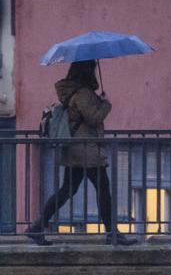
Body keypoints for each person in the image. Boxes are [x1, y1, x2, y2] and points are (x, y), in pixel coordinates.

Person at [26, 59, 138, 246]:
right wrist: (106, 104)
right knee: (103, 191)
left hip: (74, 150)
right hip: (87, 150)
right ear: (87, 71)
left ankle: (37, 227)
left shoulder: (72, 91)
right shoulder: (83, 93)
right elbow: (94, 118)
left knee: (67, 190)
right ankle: (113, 233)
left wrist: (98, 101)